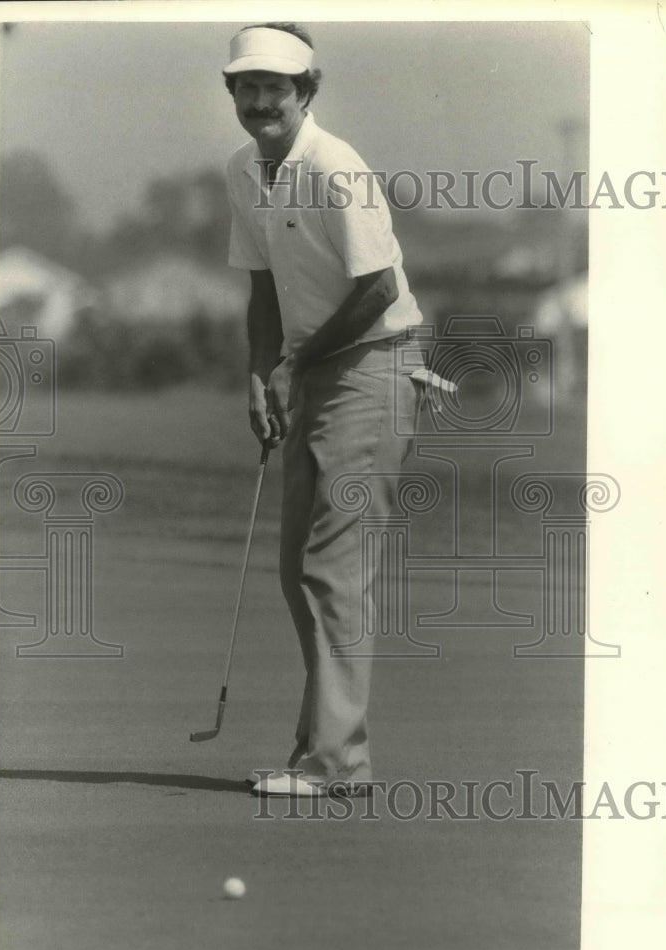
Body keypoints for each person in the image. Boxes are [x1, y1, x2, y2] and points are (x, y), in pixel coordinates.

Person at [223, 22, 423, 797]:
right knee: (294, 570)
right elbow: (262, 286)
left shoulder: (334, 167)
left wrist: (293, 364)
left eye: (277, 87)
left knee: (331, 570)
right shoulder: (244, 170)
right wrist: (257, 373)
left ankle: (336, 762)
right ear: (232, 93)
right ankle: (318, 746)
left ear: (307, 91)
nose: (261, 100)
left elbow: (375, 287)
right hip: (310, 369)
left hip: (374, 367)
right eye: (248, 86)